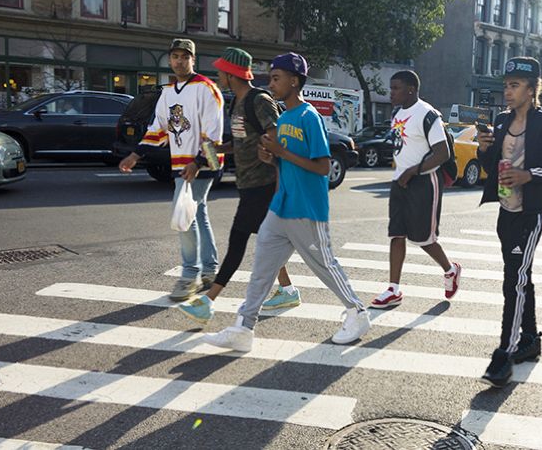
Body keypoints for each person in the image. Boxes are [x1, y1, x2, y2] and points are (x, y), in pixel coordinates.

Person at [202, 52, 370, 351]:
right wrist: (271, 157)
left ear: (295, 81)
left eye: (277, 78)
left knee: (325, 265)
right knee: (262, 270)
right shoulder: (285, 116)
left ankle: (358, 312)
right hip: (280, 207)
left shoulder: (308, 116)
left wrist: (281, 153)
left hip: (307, 207)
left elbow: (321, 166)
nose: (271, 82)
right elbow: (284, 161)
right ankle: (243, 327)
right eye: (271, 77)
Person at [178, 47, 300, 325]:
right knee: (269, 240)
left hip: (265, 185)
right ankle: (288, 290)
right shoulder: (237, 102)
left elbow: (277, 137)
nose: (217, 75)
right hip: (248, 185)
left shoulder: (259, 100)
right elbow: (243, 141)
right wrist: (208, 156)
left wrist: (267, 152)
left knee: (238, 241)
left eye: (221, 71)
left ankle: (208, 302)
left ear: (231, 74)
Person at [476, 57, 542, 388]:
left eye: (515, 85)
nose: (508, 91)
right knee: (520, 275)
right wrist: (483, 149)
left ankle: (506, 351)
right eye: (506, 84)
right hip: (505, 208)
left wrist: (529, 175)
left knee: (513, 279)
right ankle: (530, 340)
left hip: (532, 211)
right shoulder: (502, 120)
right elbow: (492, 165)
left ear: (532, 90)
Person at [119, 38, 223, 302]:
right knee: (197, 214)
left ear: (193, 59)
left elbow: (214, 134)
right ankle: (210, 270)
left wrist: (199, 163)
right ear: (169, 59)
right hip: (182, 163)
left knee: (183, 215)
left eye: (184, 56)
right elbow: (158, 129)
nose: (179, 61)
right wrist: (135, 154)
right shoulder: (168, 92)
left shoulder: (207, 89)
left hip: (203, 162)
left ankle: (190, 276)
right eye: (175, 56)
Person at [369, 70, 461, 309]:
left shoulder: (428, 114)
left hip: (424, 182)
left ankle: (450, 270)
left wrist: (413, 170)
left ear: (411, 89)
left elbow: (443, 153)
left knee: (423, 239)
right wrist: (402, 171)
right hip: (400, 181)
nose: (391, 93)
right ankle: (393, 289)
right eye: (391, 88)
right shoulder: (397, 112)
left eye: (396, 88)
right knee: (396, 234)